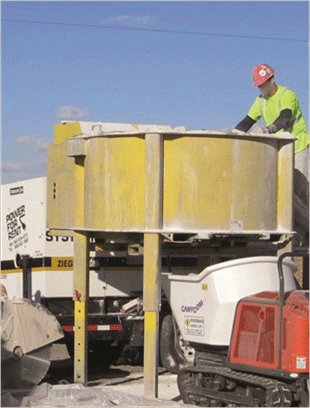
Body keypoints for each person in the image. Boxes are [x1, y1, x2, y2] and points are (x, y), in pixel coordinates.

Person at [232, 63, 309, 249]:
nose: (263, 88)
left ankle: (302, 234)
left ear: (272, 79)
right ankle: (300, 236)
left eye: (264, 83)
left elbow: (285, 116)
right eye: (259, 85)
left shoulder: (286, 94)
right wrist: (232, 136)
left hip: (299, 148)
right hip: (280, 154)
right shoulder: (261, 101)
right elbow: (248, 121)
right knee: (286, 195)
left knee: (299, 195)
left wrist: (269, 129)